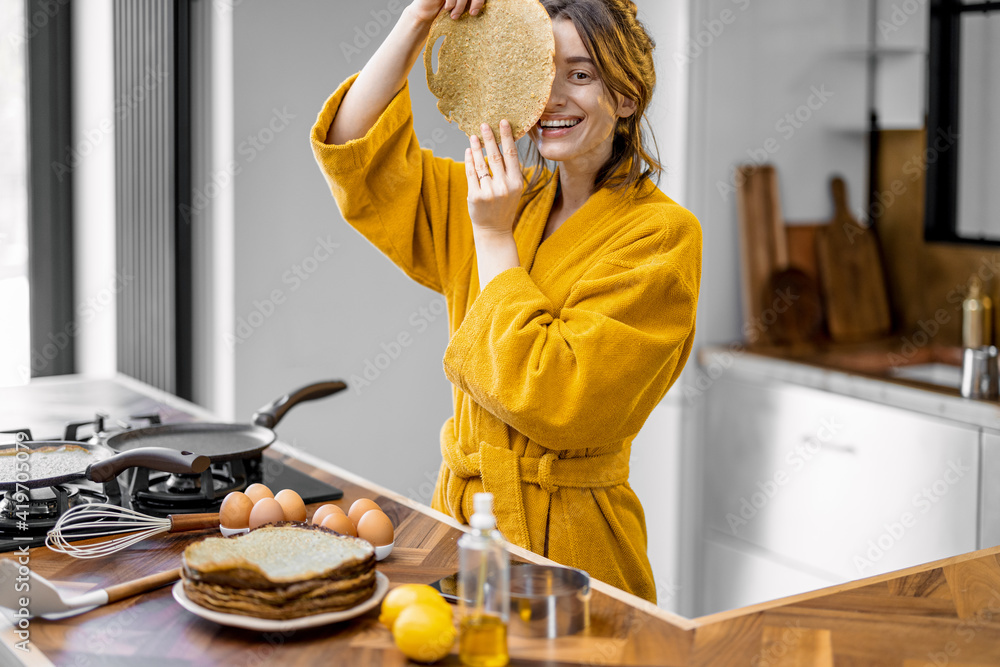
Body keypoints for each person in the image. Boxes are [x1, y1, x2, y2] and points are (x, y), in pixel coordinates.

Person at [310, 0, 701, 603]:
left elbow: (559, 398)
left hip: (575, 549)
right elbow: (355, 152)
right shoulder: (506, 197)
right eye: (542, 73)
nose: (554, 97)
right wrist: (418, 19)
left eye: (581, 74)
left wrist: (492, 238)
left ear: (626, 96)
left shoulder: (660, 236)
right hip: (463, 529)